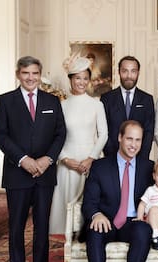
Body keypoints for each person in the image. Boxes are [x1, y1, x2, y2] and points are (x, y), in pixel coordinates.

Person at [0, 56, 66, 262]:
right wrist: (23, 160)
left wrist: (47, 159)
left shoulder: (52, 101)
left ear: (40, 74)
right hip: (17, 174)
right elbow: (1, 135)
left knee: (42, 225)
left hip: (45, 174)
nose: (31, 78)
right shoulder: (5, 101)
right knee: (16, 226)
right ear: (18, 74)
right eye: (26, 73)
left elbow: (60, 134)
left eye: (35, 73)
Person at [81, 120, 154, 262]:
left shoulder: (149, 168)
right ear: (120, 138)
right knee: (94, 230)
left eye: (138, 140)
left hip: (132, 222)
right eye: (129, 138)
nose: (133, 144)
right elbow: (89, 202)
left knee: (144, 230)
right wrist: (96, 214)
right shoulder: (100, 166)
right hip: (107, 221)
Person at [49, 57, 108, 234]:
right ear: (71, 79)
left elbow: (104, 134)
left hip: (91, 160)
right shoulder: (61, 105)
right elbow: (56, 136)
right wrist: (65, 159)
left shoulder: (97, 105)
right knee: (67, 207)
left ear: (89, 80)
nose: (81, 82)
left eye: (85, 78)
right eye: (77, 78)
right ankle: (68, 244)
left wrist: (91, 158)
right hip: (68, 160)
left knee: (90, 203)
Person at [101, 55, 155, 159]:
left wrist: (141, 157)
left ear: (138, 73)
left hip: (139, 158)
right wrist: (111, 156)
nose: (129, 76)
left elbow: (149, 132)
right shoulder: (107, 98)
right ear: (119, 72)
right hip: (112, 157)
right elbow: (104, 130)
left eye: (133, 71)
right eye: (125, 71)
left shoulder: (147, 99)